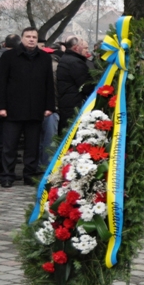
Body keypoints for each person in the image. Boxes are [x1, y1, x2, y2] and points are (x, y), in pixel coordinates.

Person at [0, 27, 55, 187]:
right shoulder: (9, 56)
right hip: (12, 110)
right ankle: (7, 176)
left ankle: (29, 175)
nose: (31, 39)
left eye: (34, 37)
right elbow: (1, 82)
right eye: (28, 36)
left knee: (32, 147)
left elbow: (49, 84)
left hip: (35, 109)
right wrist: (1, 106)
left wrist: (49, 106)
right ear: (22, 38)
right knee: (9, 146)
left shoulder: (44, 58)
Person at [56, 37, 93, 134]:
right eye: (85, 48)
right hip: (74, 106)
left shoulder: (67, 58)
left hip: (67, 103)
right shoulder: (75, 62)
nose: (87, 51)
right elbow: (86, 86)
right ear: (76, 48)